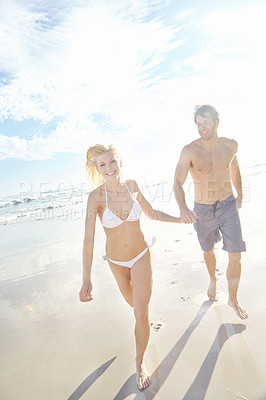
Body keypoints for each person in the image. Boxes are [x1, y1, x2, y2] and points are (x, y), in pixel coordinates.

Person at [79, 144, 183, 390]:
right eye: (102, 164)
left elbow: (152, 213)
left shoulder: (133, 186)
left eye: (112, 162)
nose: (109, 168)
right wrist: (86, 278)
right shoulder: (95, 198)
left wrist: (180, 219)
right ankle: (143, 326)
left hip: (140, 255)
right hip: (116, 262)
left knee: (140, 312)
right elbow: (89, 239)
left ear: (120, 162)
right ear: (98, 169)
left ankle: (140, 363)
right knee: (134, 304)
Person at [174, 105, 248, 320]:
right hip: (203, 210)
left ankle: (233, 298)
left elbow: (234, 168)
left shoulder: (231, 145)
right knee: (208, 251)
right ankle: (213, 280)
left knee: (236, 255)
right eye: (198, 123)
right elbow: (177, 183)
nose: (202, 127)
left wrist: (240, 193)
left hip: (228, 206)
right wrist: (183, 208)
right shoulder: (189, 150)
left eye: (205, 122)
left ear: (217, 121)